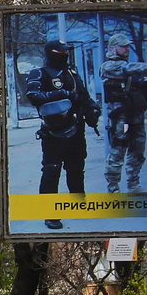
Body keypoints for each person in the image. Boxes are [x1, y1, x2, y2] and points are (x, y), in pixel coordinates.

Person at [23, 40, 100, 230]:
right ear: (51, 52)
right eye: (61, 51)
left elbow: (84, 96)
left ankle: (78, 203)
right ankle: (50, 214)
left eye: (67, 51)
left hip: (77, 127)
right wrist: (63, 94)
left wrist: (93, 110)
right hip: (54, 130)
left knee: (76, 167)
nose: (65, 54)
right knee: (52, 170)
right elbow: (33, 96)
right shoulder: (39, 73)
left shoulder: (72, 73)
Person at [101, 32, 147, 195]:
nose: (126, 48)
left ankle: (134, 184)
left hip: (135, 115)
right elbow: (129, 69)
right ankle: (113, 188)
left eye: (127, 46)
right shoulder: (109, 66)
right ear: (113, 48)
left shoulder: (127, 66)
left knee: (137, 150)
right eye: (123, 46)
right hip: (122, 119)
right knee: (118, 150)